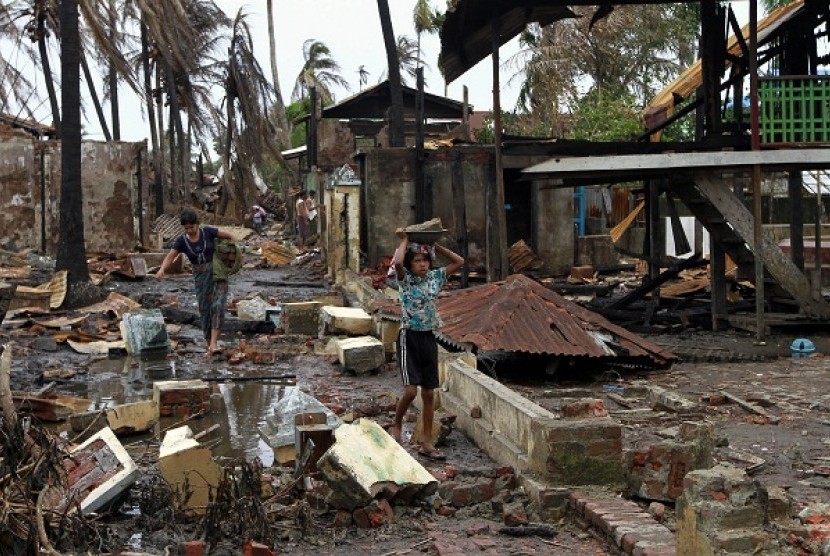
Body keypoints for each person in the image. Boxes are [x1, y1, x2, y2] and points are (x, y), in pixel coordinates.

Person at [389, 228, 464, 461]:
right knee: (411, 390)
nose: (422, 265)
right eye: (417, 261)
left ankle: (427, 442)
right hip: (408, 336)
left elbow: (459, 261)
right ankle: (397, 423)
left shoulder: (434, 277)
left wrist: (434, 245)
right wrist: (405, 240)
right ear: (411, 265)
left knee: (429, 393)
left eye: (425, 261)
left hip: (428, 337)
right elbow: (399, 263)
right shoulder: (406, 279)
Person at [156, 208, 234, 355]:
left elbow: (229, 236)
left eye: (192, 227)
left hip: (218, 273)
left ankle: (214, 344)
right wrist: (162, 269)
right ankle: (208, 343)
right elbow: (170, 257)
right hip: (200, 277)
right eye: (186, 228)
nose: (190, 230)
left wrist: (234, 251)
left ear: (197, 224)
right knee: (205, 309)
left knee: (218, 306)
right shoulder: (182, 241)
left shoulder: (208, 232)